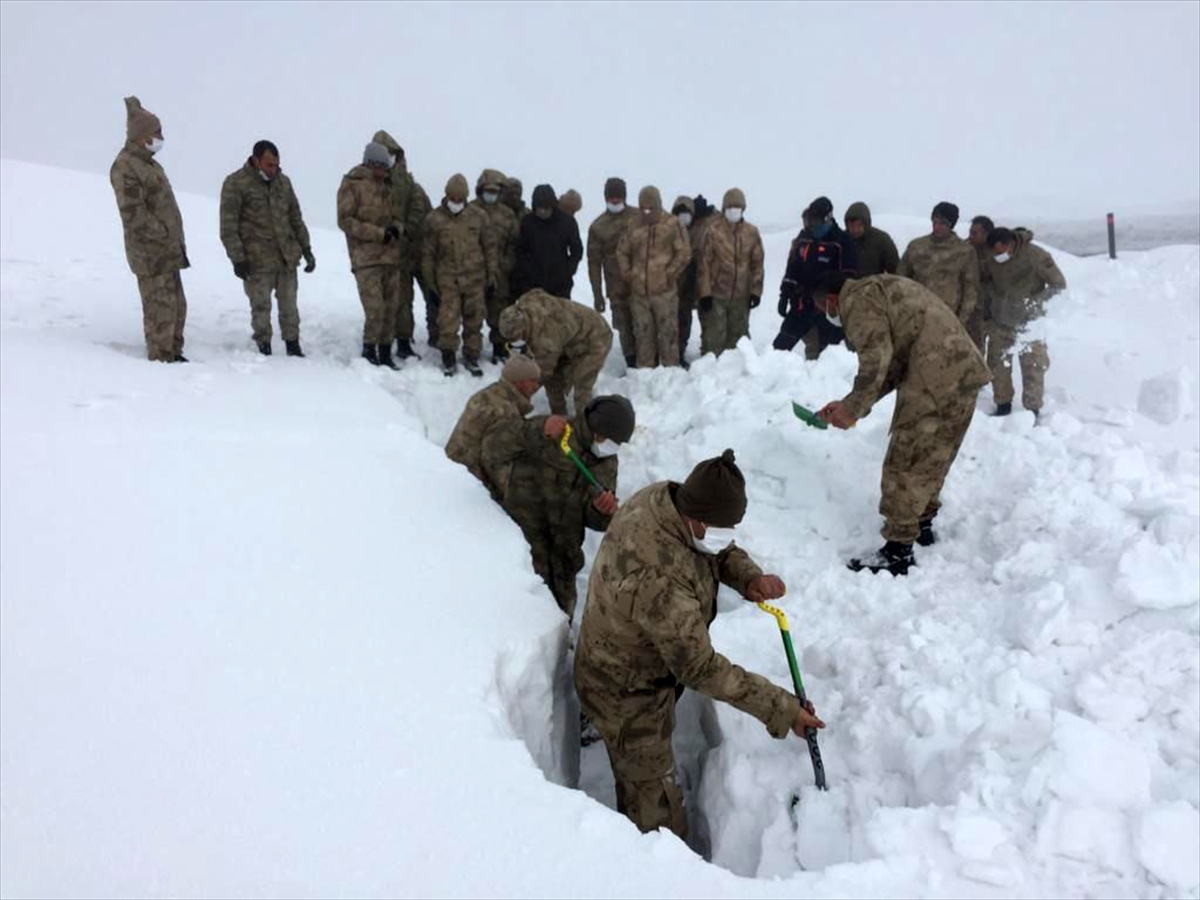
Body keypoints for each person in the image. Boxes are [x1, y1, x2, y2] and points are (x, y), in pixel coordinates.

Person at [574, 449, 826, 839]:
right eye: (719, 527)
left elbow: (713, 549)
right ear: (696, 517)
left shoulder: (665, 500)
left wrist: (748, 577)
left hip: (622, 653)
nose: (726, 538)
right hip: (625, 692)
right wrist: (782, 708)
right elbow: (698, 668)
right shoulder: (659, 578)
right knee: (658, 816)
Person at [813, 272, 990, 575]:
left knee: (904, 463)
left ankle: (897, 552)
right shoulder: (881, 289)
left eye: (823, 309)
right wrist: (849, 405)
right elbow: (892, 365)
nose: (828, 316)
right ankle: (922, 525)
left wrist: (853, 409)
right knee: (934, 455)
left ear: (831, 300)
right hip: (961, 374)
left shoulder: (858, 301)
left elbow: (877, 359)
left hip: (933, 378)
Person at [483, 395, 636, 617]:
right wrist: (537, 430)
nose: (613, 447)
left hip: (564, 555)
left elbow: (595, 518)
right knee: (521, 613)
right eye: (611, 439)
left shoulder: (607, 461)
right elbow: (493, 445)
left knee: (561, 617)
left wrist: (601, 511)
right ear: (597, 428)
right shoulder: (554, 431)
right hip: (527, 543)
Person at [110, 96, 189, 363]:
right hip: (151, 255)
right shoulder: (125, 166)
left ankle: (174, 354)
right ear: (142, 135)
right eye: (157, 132)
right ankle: (161, 361)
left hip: (167, 251)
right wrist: (164, 234)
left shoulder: (150, 164)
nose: (161, 137)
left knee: (177, 306)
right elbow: (134, 214)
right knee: (160, 310)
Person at [219, 139, 313, 357]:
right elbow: (228, 226)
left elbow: (295, 217)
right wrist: (237, 259)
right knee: (261, 308)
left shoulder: (284, 183)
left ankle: (293, 344)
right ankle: (264, 347)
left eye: (277, 165)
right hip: (256, 261)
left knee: (289, 306)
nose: (274, 170)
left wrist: (306, 249)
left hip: (286, 257)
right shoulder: (236, 183)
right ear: (256, 160)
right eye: (269, 165)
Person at [423, 174, 499, 377]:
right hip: (447, 280)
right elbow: (428, 254)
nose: (456, 203)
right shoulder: (434, 219)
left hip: (475, 279)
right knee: (448, 321)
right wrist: (429, 284)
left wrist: (492, 277)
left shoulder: (479, 216)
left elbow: (490, 248)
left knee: (474, 320)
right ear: (447, 196)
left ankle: (472, 356)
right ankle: (448, 357)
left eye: (460, 200)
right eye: (453, 199)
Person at [985, 226, 1066, 418]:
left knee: (1033, 368)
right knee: (997, 366)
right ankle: (1002, 405)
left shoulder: (1036, 256)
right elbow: (988, 282)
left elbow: (1059, 285)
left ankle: (1032, 410)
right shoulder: (992, 257)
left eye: (999, 251)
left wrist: (1034, 303)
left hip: (1029, 325)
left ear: (1009, 244)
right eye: (993, 252)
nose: (996, 256)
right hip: (1000, 321)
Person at [337, 142, 404, 369]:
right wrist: (378, 234)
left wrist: (396, 229)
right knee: (375, 309)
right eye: (383, 167)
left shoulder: (387, 187)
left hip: (390, 258)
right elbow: (345, 220)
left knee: (391, 307)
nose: (386, 172)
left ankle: (385, 353)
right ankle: (369, 351)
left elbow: (397, 217)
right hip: (366, 260)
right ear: (373, 164)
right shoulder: (352, 185)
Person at [499, 289, 613, 415]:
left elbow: (542, 374)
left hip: (596, 337)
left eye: (516, 337)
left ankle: (586, 425)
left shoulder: (545, 339)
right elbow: (537, 292)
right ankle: (559, 414)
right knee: (554, 378)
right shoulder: (525, 303)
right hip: (568, 337)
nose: (515, 341)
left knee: (582, 384)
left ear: (524, 328)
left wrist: (516, 393)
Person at [445, 355, 542, 501]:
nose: (537, 386)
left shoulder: (490, 394)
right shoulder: (505, 411)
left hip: (452, 468)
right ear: (519, 382)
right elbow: (496, 460)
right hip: (470, 483)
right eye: (533, 381)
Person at [772, 196, 859, 359]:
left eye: (817, 221)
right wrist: (784, 294)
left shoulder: (843, 242)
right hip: (800, 304)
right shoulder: (805, 237)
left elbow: (849, 279)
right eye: (810, 221)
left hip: (828, 310)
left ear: (828, 218)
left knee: (827, 359)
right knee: (777, 351)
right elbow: (793, 267)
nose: (813, 226)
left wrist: (827, 285)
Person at [616, 186, 692, 369]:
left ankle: (670, 372)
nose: (647, 212)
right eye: (643, 208)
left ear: (658, 205)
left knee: (668, 335)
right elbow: (622, 251)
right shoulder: (633, 225)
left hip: (665, 293)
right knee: (643, 334)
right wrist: (628, 274)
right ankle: (645, 373)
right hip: (639, 294)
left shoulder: (673, 225)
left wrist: (669, 274)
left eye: (650, 208)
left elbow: (684, 253)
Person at [371, 130, 426, 360]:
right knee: (379, 300)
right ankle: (377, 340)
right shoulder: (370, 178)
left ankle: (403, 341)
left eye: (394, 153)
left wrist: (406, 229)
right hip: (377, 251)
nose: (391, 158)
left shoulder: (407, 181)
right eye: (387, 153)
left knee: (403, 300)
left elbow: (418, 207)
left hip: (402, 251)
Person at [697, 188, 765, 356]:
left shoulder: (751, 232)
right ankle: (709, 376)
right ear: (724, 208)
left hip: (741, 297)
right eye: (730, 207)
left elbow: (757, 263)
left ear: (743, 209)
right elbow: (704, 264)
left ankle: (736, 378)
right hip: (716, 296)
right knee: (713, 340)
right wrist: (705, 293)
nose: (733, 211)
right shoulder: (713, 231)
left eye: (737, 207)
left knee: (739, 341)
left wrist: (756, 291)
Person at [587, 177, 642, 368]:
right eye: (612, 198)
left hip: (641, 283)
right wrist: (597, 294)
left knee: (642, 323)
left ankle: (647, 359)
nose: (615, 201)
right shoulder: (598, 227)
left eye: (619, 198)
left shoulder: (639, 217)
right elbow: (593, 262)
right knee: (624, 325)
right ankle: (631, 360)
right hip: (616, 287)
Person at [897, 202, 979, 327]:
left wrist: (960, 321)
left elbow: (970, 289)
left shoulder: (964, 251)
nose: (937, 227)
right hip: (915, 315)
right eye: (934, 222)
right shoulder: (916, 246)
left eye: (942, 223)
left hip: (947, 318)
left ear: (951, 225)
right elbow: (901, 279)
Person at [470, 169, 521, 363]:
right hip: (473, 272)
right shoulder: (470, 210)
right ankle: (472, 351)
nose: (491, 194)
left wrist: (507, 264)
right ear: (480, 189)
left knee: (499, 313)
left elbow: (514, 243)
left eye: (495, 191)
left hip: (500, 273)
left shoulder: (507, 215)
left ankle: (500, 349)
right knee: (473, 312)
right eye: (487, 190)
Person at [513, 184, 583, 299]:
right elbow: (520, 250)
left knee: (559, 317)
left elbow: (577, 250)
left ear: (553, 206)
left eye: (546, 208)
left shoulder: (567, 222)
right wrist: (526, 272)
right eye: (540, 209)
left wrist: (568, 270)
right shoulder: (527, 222)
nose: (543, 212)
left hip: (560, 286)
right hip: (531, 286)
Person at [965, 215, 995, 352]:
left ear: (987, 234)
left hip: (994, 311)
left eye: (974, 233)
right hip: (972, 312)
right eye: (970, 232)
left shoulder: (998, 252)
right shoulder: (964, 250)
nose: (970, 236)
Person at [843, 202, 899, 277]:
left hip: (873, 285)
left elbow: (896, 269)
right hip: (846, 285)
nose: (855, 230)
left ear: (866, 224)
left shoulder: (881, 239)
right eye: (852, 226)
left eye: (859, 225)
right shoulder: (841, 239)